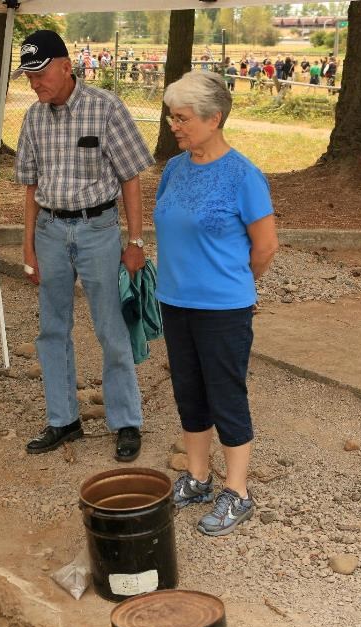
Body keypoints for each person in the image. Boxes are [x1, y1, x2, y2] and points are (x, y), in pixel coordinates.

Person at [14, 30, 152, 462]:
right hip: (51, 231)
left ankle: (126, 421)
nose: (34, 83)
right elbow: (31, 186)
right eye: (28, 76)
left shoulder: (106, 108)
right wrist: (29, 246)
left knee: (111, 328)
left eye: (40, 74)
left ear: (65, 66)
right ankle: (63, 420)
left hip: (98, 231)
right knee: (52, 328)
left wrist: (134, 240)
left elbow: (131, 177)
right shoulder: (33, 118)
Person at [154, 71, 278, 536]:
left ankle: (238, 492)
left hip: (224, 308)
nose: (174, 125)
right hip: (175, 300)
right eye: (172, 116)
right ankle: (199, 478)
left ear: (214, 118)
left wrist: (234, 284)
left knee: (226, 394)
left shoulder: (244, 176)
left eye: (182, 117)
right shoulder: (174, 169)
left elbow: (265, 246)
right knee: (188, 391)